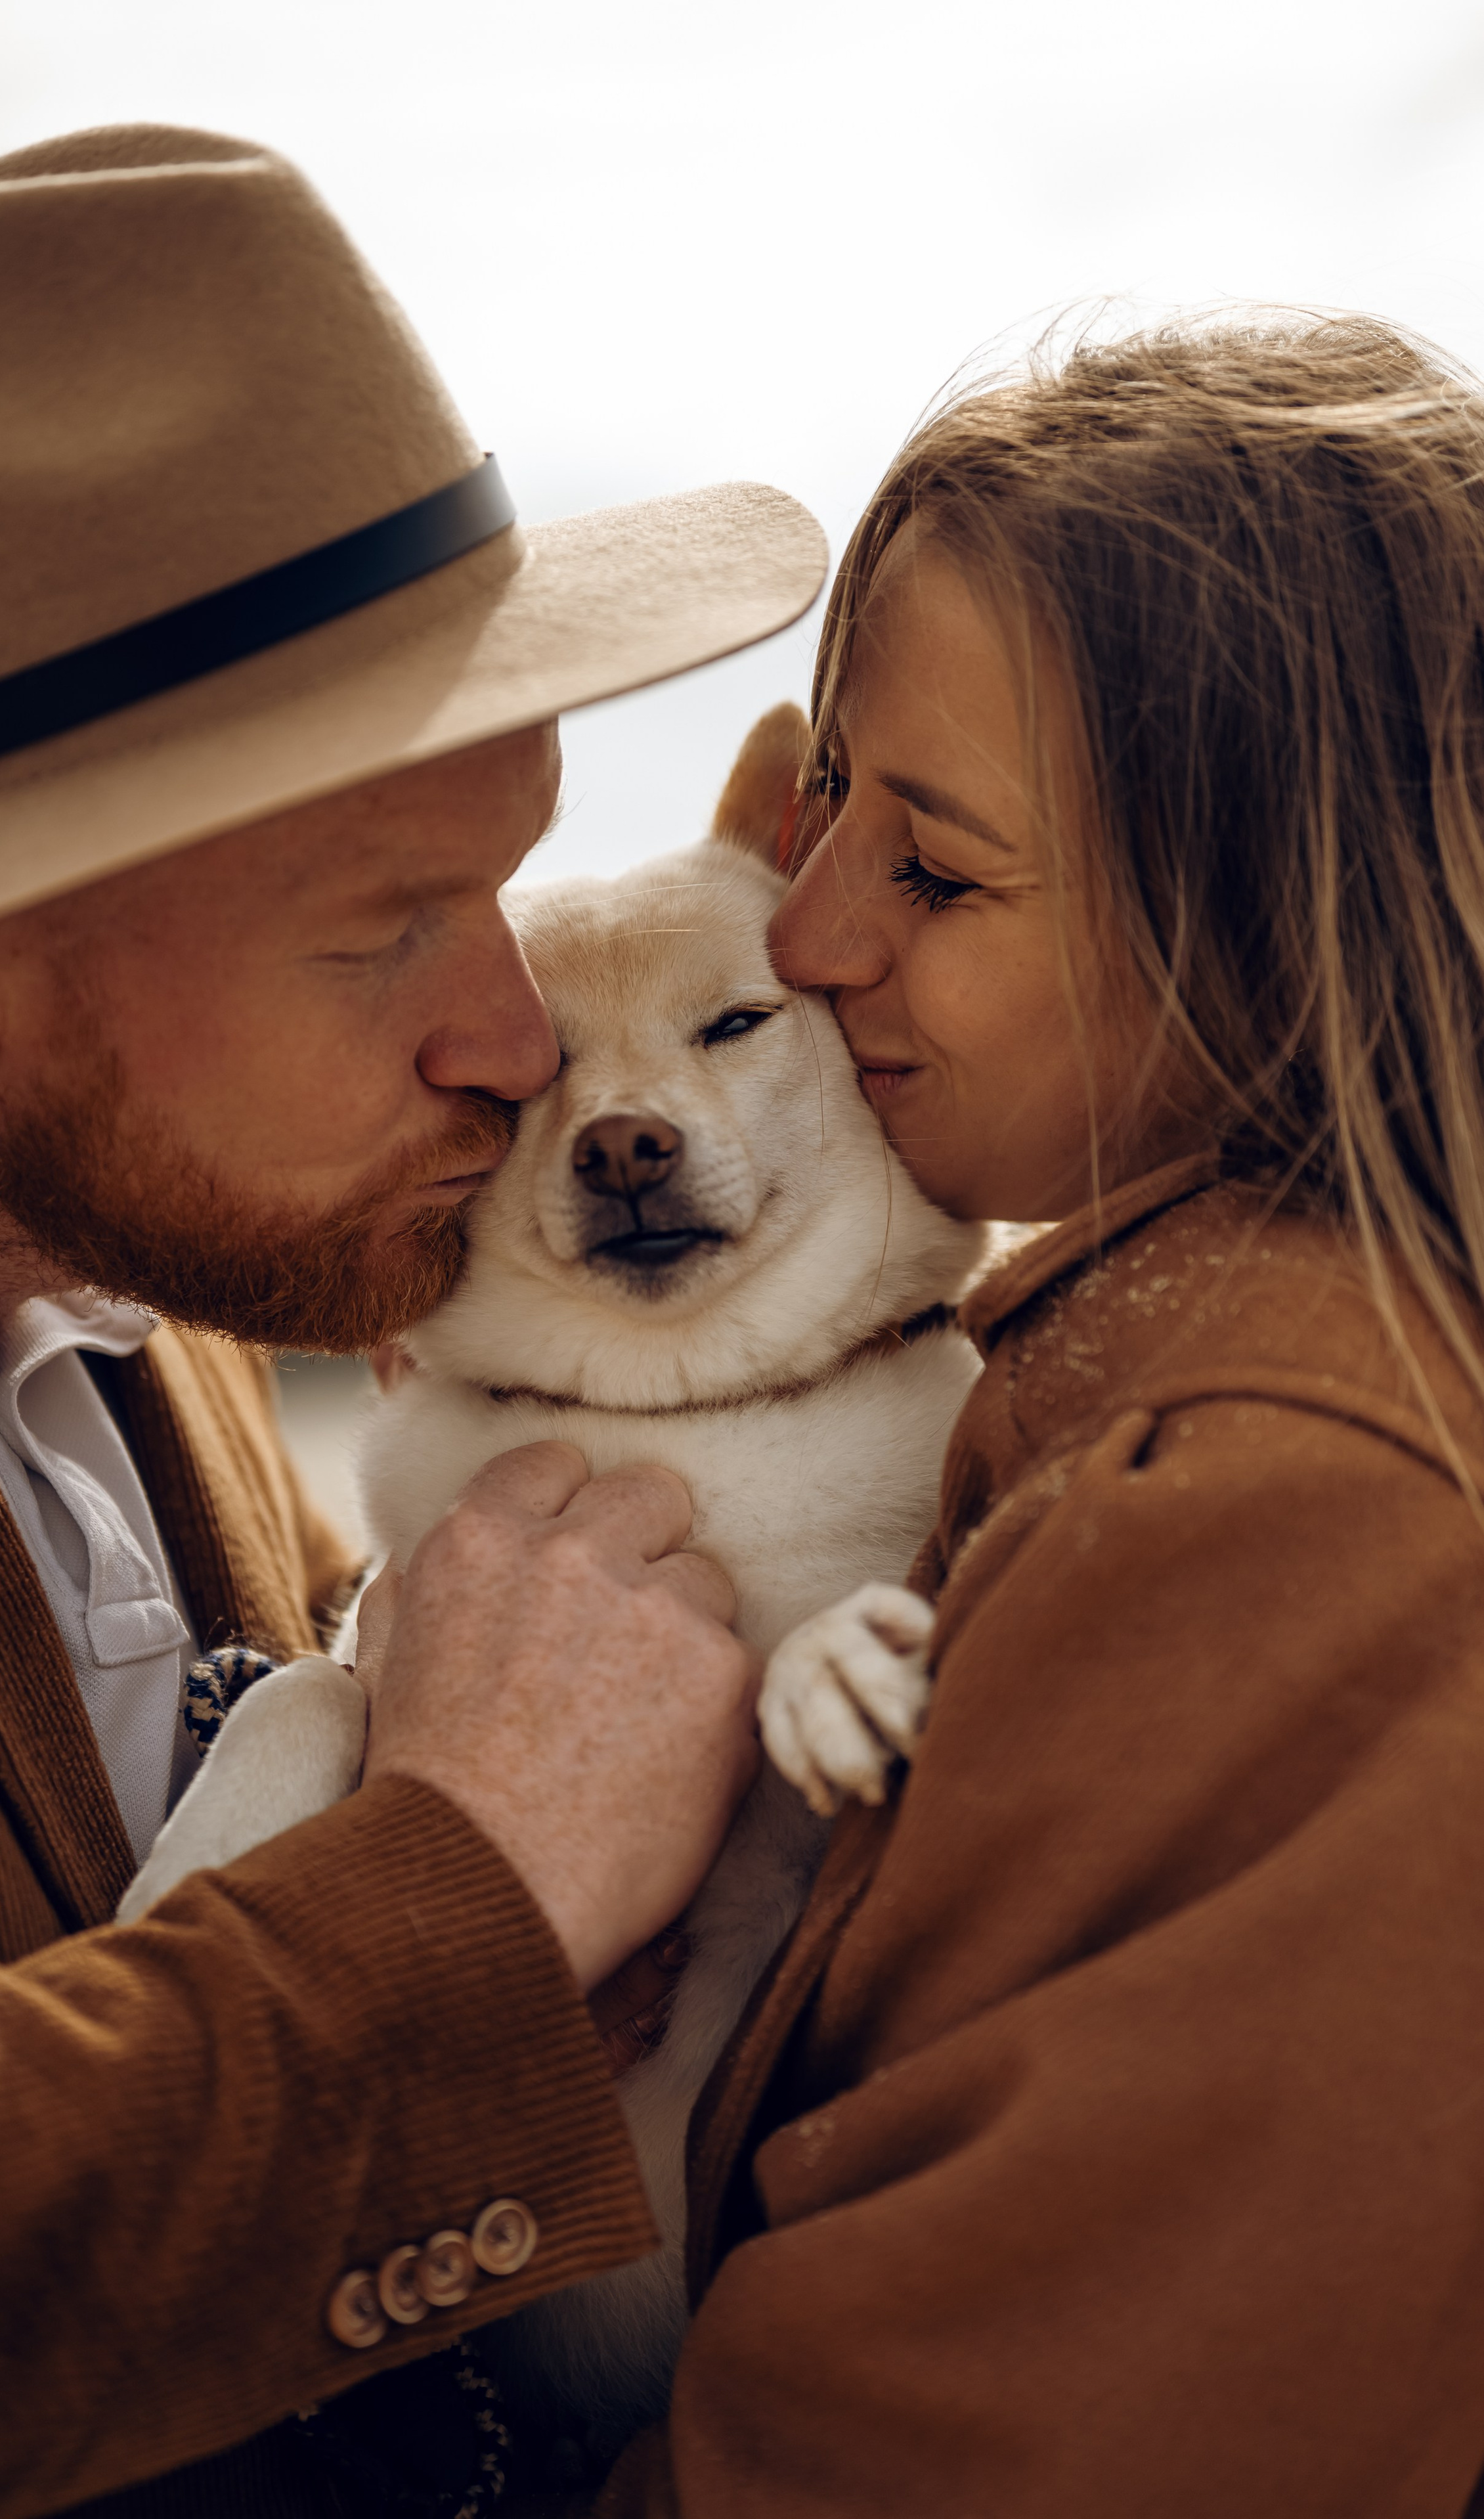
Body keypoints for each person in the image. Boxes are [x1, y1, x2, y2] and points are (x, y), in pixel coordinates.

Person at [0, 124, 827, 2516]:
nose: (516, 1038)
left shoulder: (169, 1293)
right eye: (383, 931)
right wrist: (461, 1895)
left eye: (508, 882)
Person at [594, 316, 1484, 2518]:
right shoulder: (1158, 1378)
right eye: (828, 802)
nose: (809, 931)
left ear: (1265, 929)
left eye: (933, 870)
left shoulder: (1282, 1502)